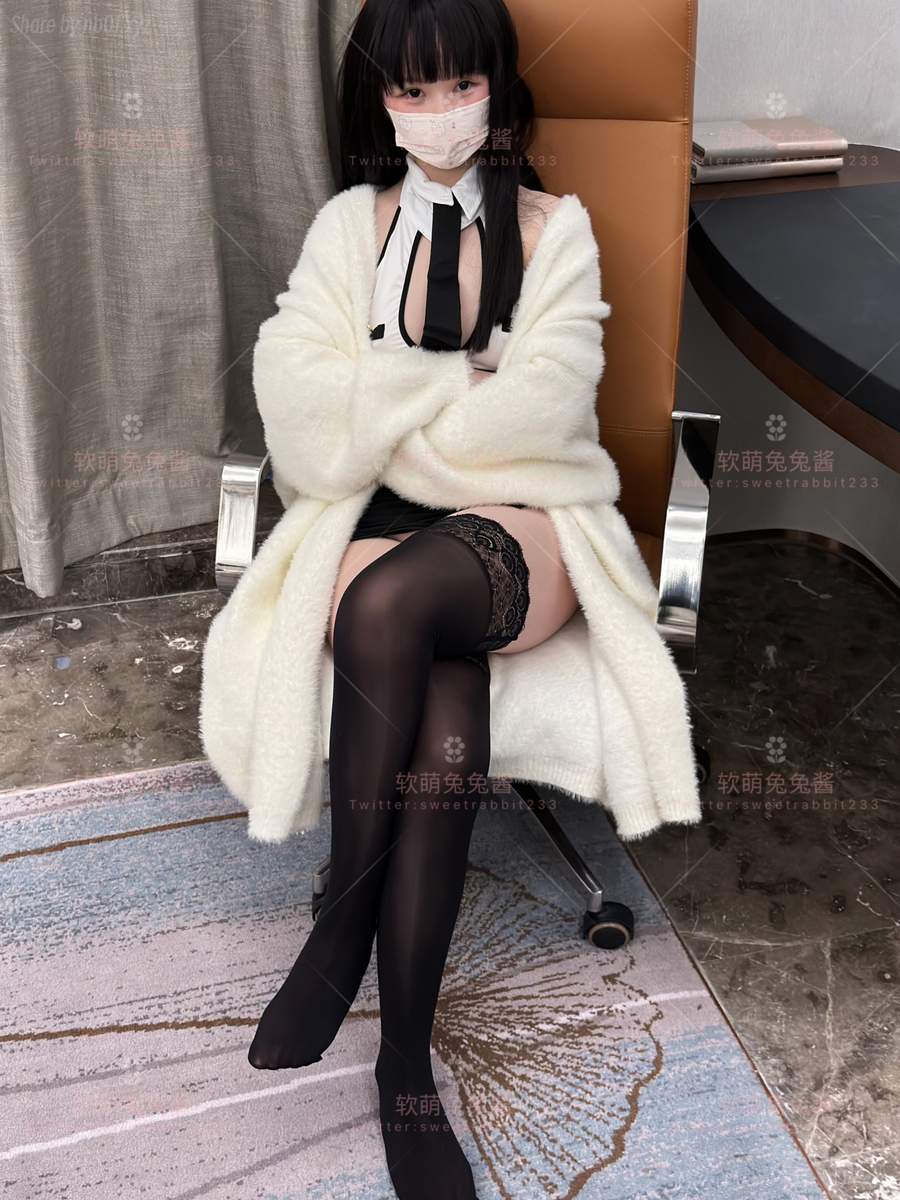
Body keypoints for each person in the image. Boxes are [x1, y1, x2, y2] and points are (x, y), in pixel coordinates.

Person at [246, 2, 589, 1196]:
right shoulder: (351, 229)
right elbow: (296, 404)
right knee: (440, 705)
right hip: (380, 522)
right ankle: (404, 1066)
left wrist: (396, 401)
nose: (440, 113)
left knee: (398, 607)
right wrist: (457, 393)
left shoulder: (554, 228)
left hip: (517, 523)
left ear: (499, 89)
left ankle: (343, 913)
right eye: (412, 89)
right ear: (378, 103)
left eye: (462, 85)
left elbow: (549, 417)